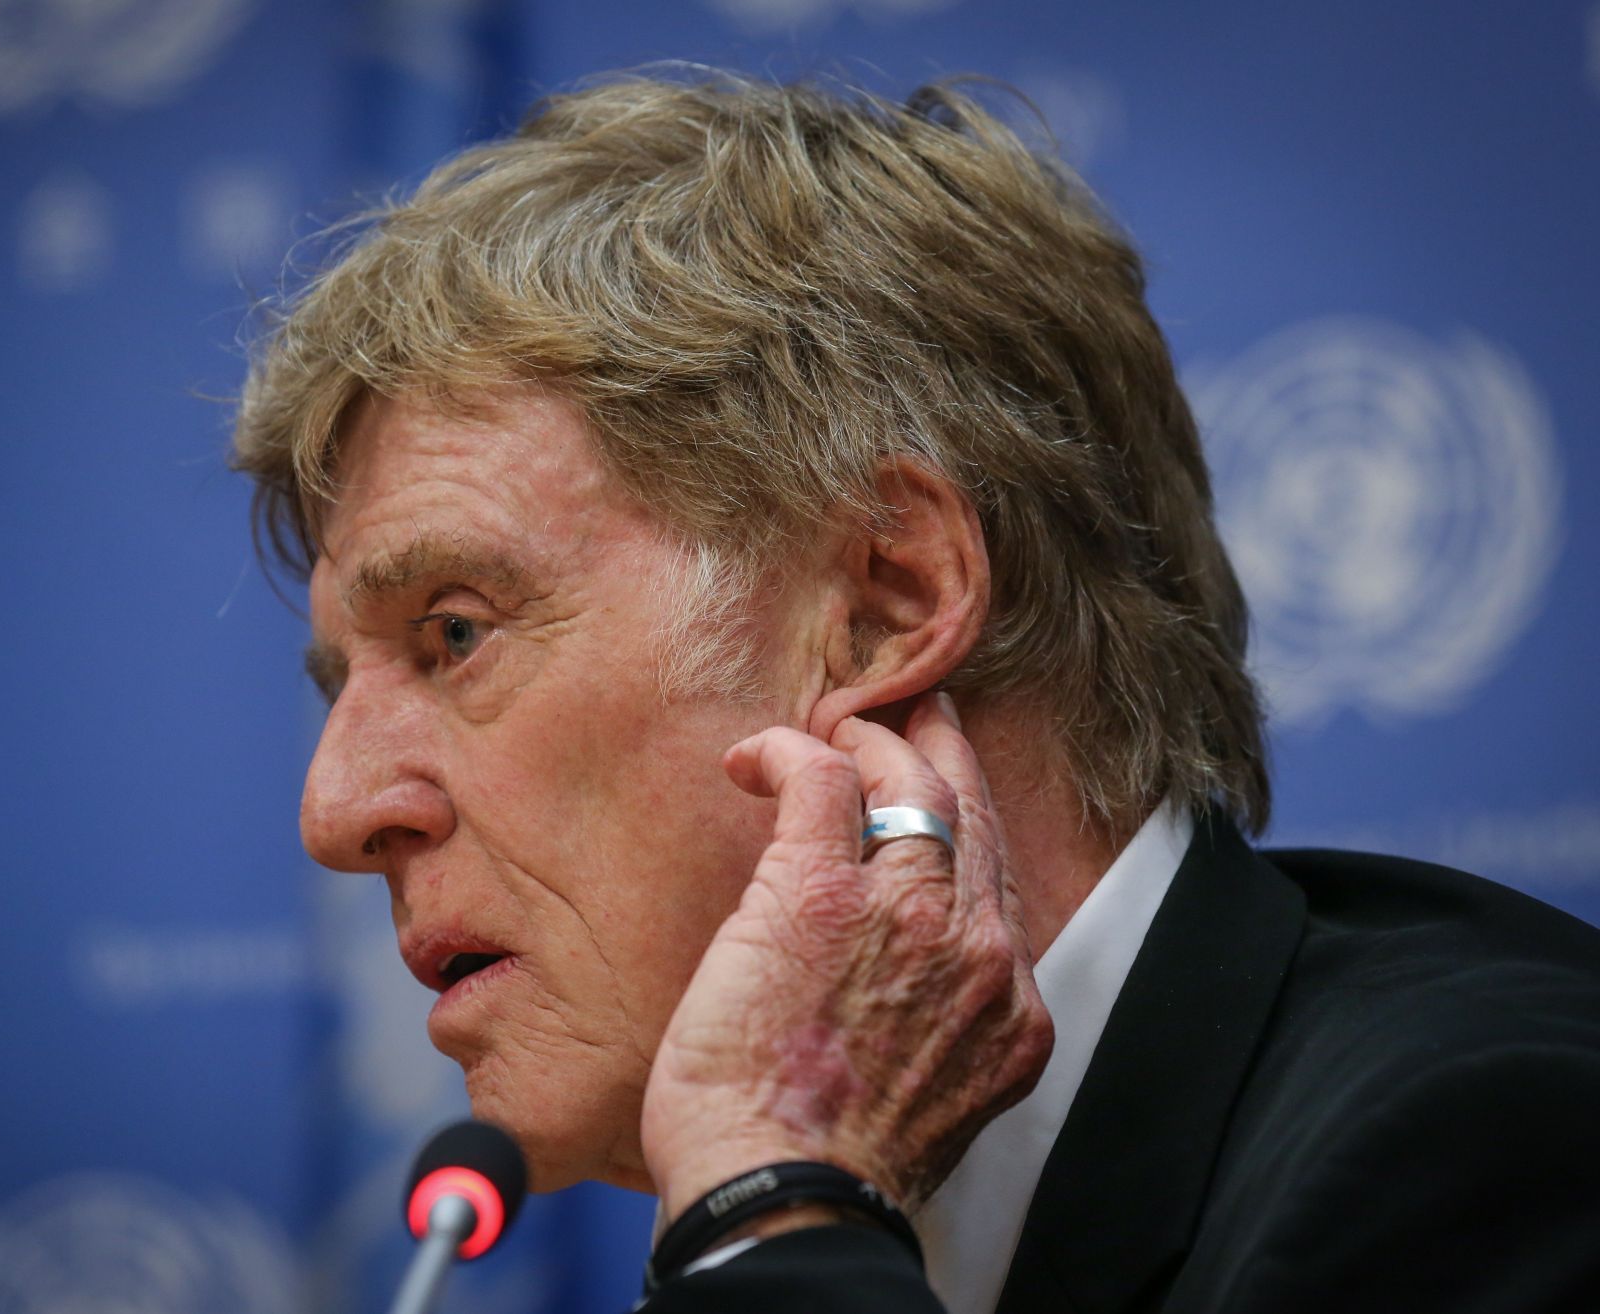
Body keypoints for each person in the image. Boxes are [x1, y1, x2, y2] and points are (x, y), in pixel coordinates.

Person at [231, 71, 1600, 1312]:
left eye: (456, 632)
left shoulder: (1487, 1146)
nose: (337, 810)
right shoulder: (776, 1215)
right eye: (343, 682)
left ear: (885, 604)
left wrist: (770, 1217)